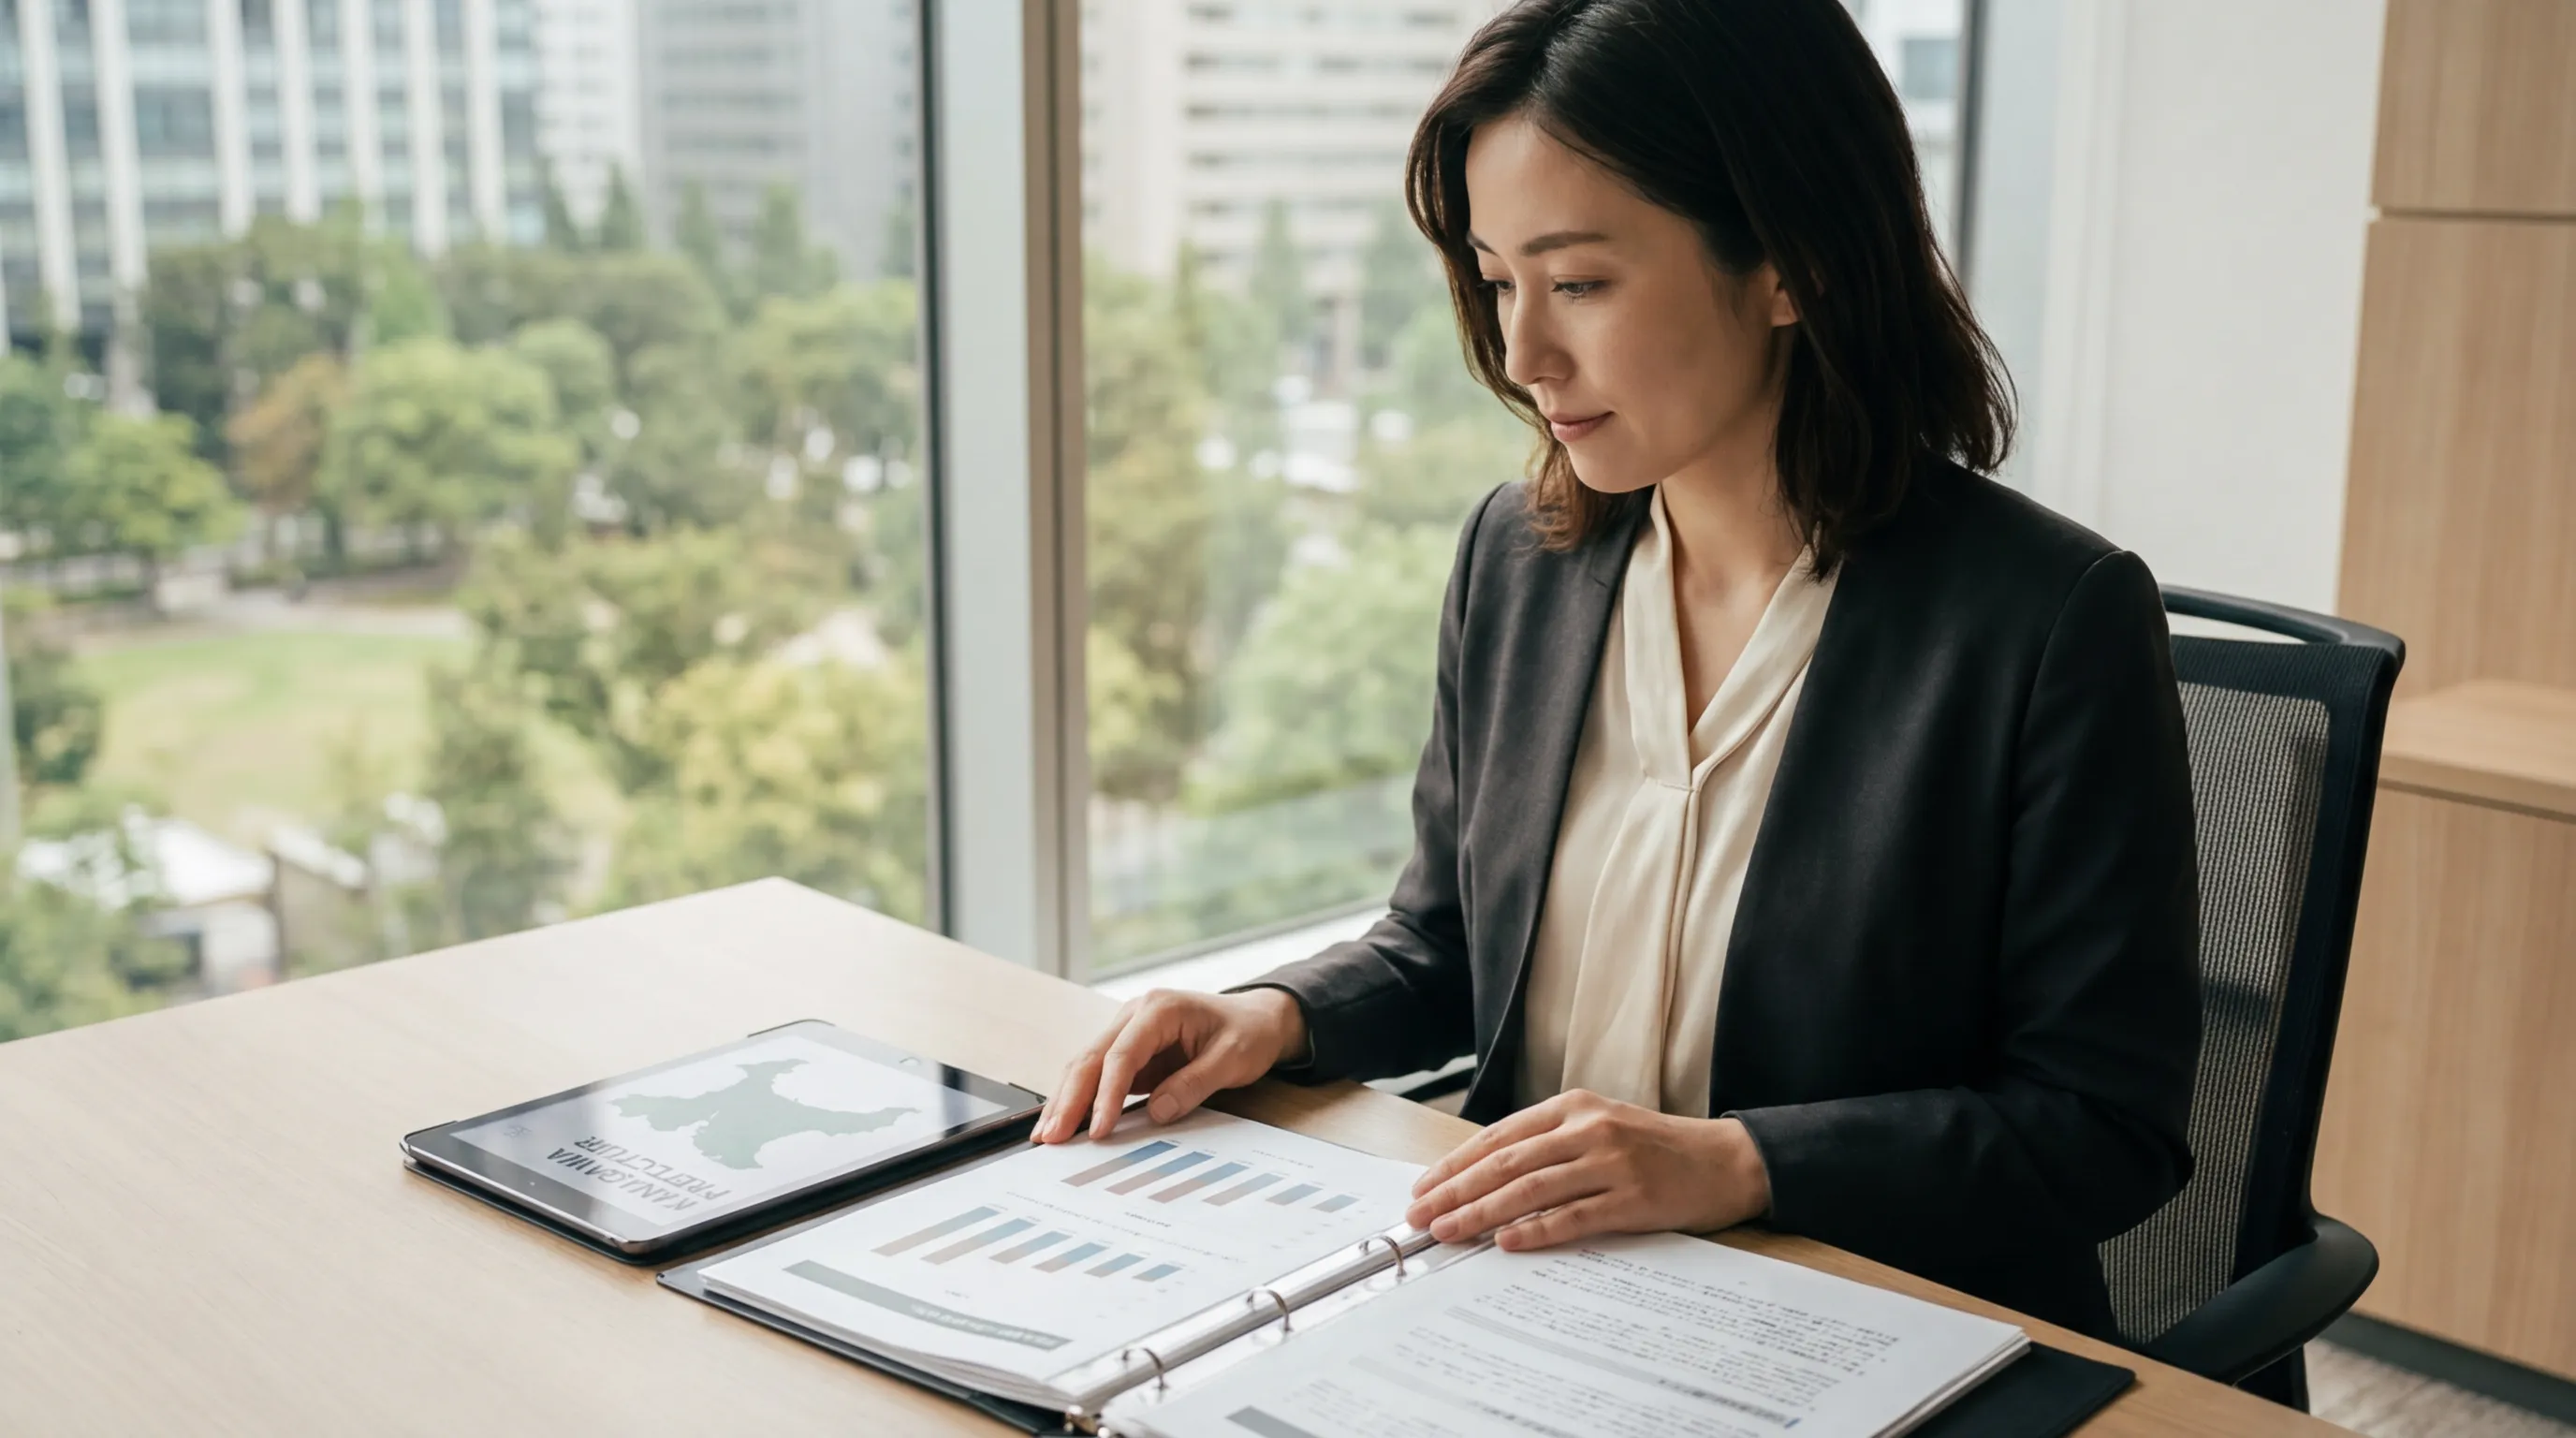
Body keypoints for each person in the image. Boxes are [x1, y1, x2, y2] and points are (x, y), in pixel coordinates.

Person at [1036, 0, 2201, 1342]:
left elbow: (2103, 1127)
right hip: (1538, 1298)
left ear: (1789, 264)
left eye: (1579, 282)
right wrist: (1271, 1014)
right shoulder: (1520, 559)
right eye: (1496, 280)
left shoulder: (2050, 622)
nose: (1526, 358)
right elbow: (1451, 945)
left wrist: (1735, 1163)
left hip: (1858, 1319)